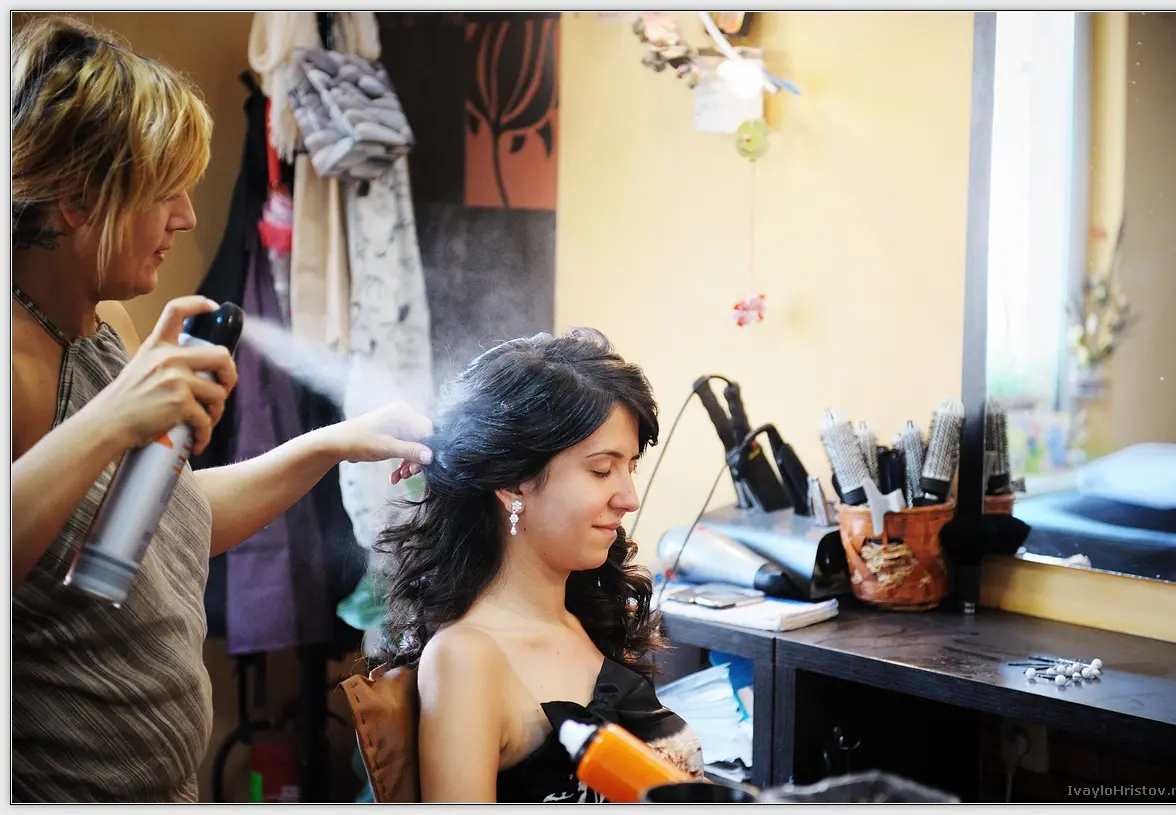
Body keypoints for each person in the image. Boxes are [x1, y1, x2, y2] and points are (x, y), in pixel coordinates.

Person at [11, 16, 432, 802]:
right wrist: (114, 418)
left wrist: (333, 443)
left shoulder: (102, 328)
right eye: (163, 190)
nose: (188, 215)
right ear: (74, 199)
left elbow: (163, 521)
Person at [378, 328, 705, 803]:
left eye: (630, 467)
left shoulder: (585, 619)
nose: (629, 498)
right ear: (513, 484)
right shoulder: (466, 659)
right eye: (601, 470)